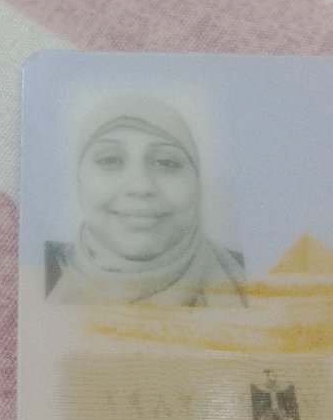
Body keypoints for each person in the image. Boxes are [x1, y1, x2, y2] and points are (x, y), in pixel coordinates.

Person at [46, 96, 246, 306]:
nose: (141, 187)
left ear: (197, 183)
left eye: (166, 162)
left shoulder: (253, 276)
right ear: (79, 181)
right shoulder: (34, 271)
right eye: (110, 160)